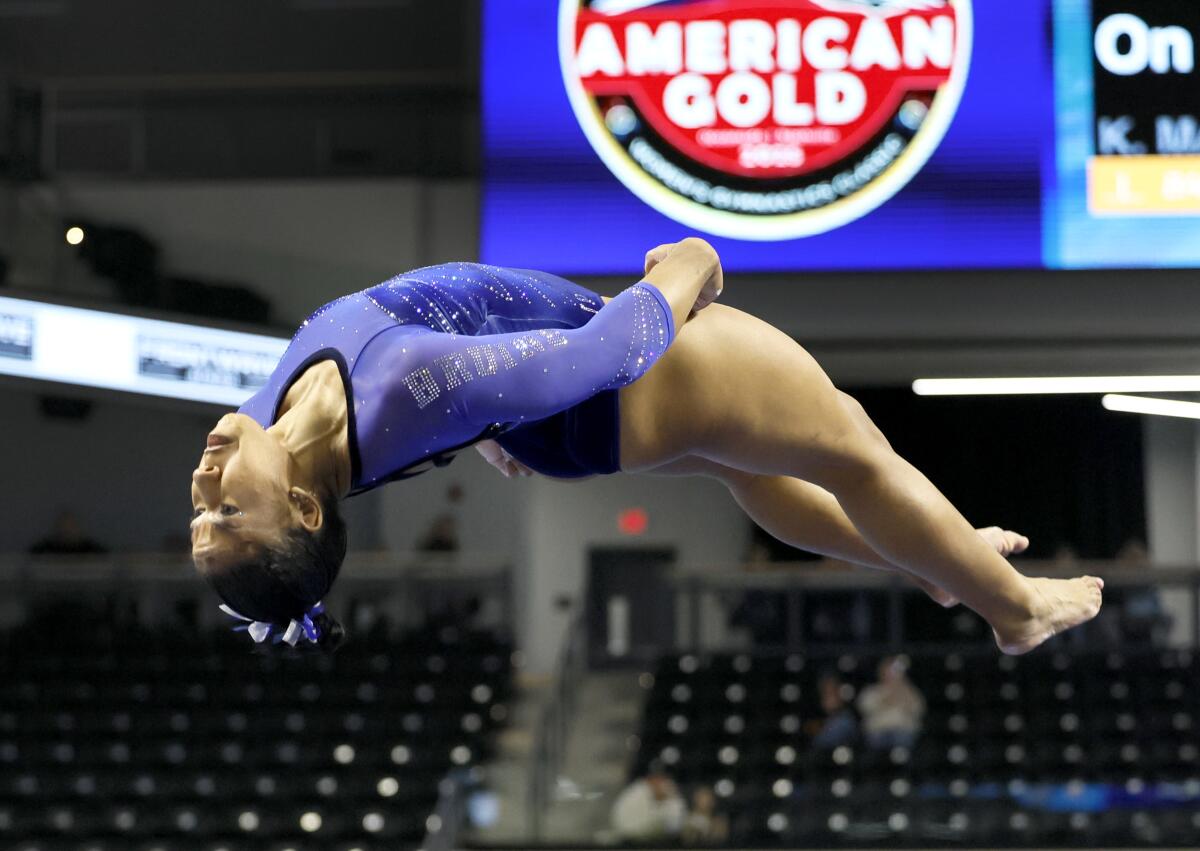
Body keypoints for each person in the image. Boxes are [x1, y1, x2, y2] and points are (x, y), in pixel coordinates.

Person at [189, 238, 1103, 651]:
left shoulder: (267, 423)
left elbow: (431, 412)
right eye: (227, 506)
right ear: (304, 505)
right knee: (855, 451)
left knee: (750, 465)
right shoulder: (398, 389)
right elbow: (607, 350)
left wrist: (478, 424)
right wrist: (689, 266)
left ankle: (932, 563)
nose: (204, 478)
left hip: (568, 428)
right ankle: (1013, 610)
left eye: (201, 507)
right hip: (631, 382)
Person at [857, 655, 926, 750]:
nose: (892, 674)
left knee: (902, 739)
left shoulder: (909, 691)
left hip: (902, 730)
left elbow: (918, 709)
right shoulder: (872, 691)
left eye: (895, 671)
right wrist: (886, 698)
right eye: (888, 671)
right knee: (876, 741)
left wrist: (904, 691)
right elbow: (865, 708)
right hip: (878, 730)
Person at [610, 761, 686, 843]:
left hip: (645, 840)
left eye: (664, 778)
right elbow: (673, 825)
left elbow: (676, 825)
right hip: (632, 842)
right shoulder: (637, 793)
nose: (666, 783)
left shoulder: (652, 792)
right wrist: (671, 800)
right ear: (651, 779)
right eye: (660, 779)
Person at [809, 672, 858, 749]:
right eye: (826, 694)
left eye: (833, 693)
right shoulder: (822, 721)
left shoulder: (846, 721)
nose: (830, 699)